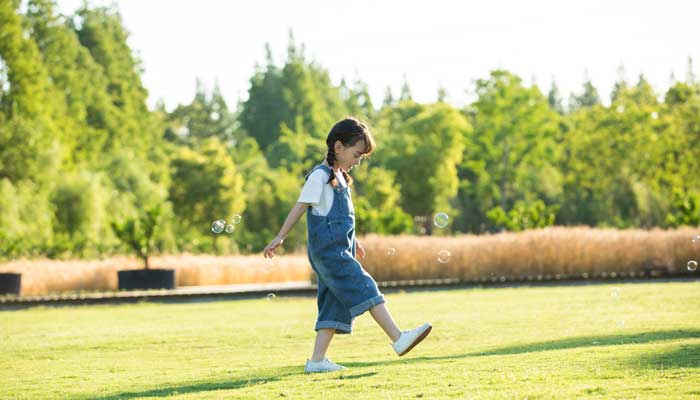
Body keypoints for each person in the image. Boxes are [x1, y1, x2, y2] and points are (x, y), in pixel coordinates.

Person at [263, 117, 432, 373]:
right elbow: (301, 206)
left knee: (332, 303)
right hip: (329, 253)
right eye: (356, 154)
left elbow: (337, 218)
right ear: (338, 147)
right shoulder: (319, 177)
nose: (358, 161)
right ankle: (398, 338)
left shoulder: (340, 178)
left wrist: (355, 240)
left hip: (339, 249)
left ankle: (317, 361)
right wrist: (280, 236)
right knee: (366, 285)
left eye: (362, 157)